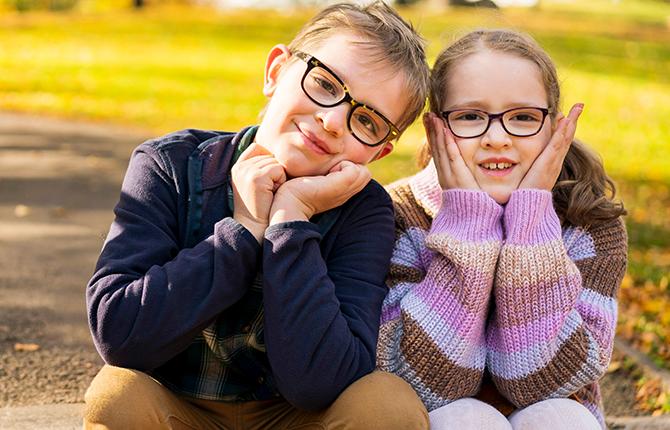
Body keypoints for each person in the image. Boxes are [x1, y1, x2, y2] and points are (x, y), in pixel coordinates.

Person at [84, 2, 431, 429]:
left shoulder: (366, 211)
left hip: (295, 416)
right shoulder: (170, 165)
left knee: (385, 404)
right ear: (275, 71)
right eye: (324, 83)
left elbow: (321, 383)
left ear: (379, 152)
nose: (333, 120)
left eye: (368, 121)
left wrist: (291, 220)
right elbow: (119, 333)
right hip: (178, 409)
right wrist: (244, 229)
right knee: (116, 395)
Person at [376, 29, 627, 430]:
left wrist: (530, 224)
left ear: (554, 128)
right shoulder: (394, 217)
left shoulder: (590, 222)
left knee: (560, 418)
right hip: (441, 417)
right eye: (471, 116)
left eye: (523, 117)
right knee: (465, 419)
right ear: (435, 128)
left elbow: (547, 383)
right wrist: (468, 224)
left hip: (557, 409)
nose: (497, 138)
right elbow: (423, 384)